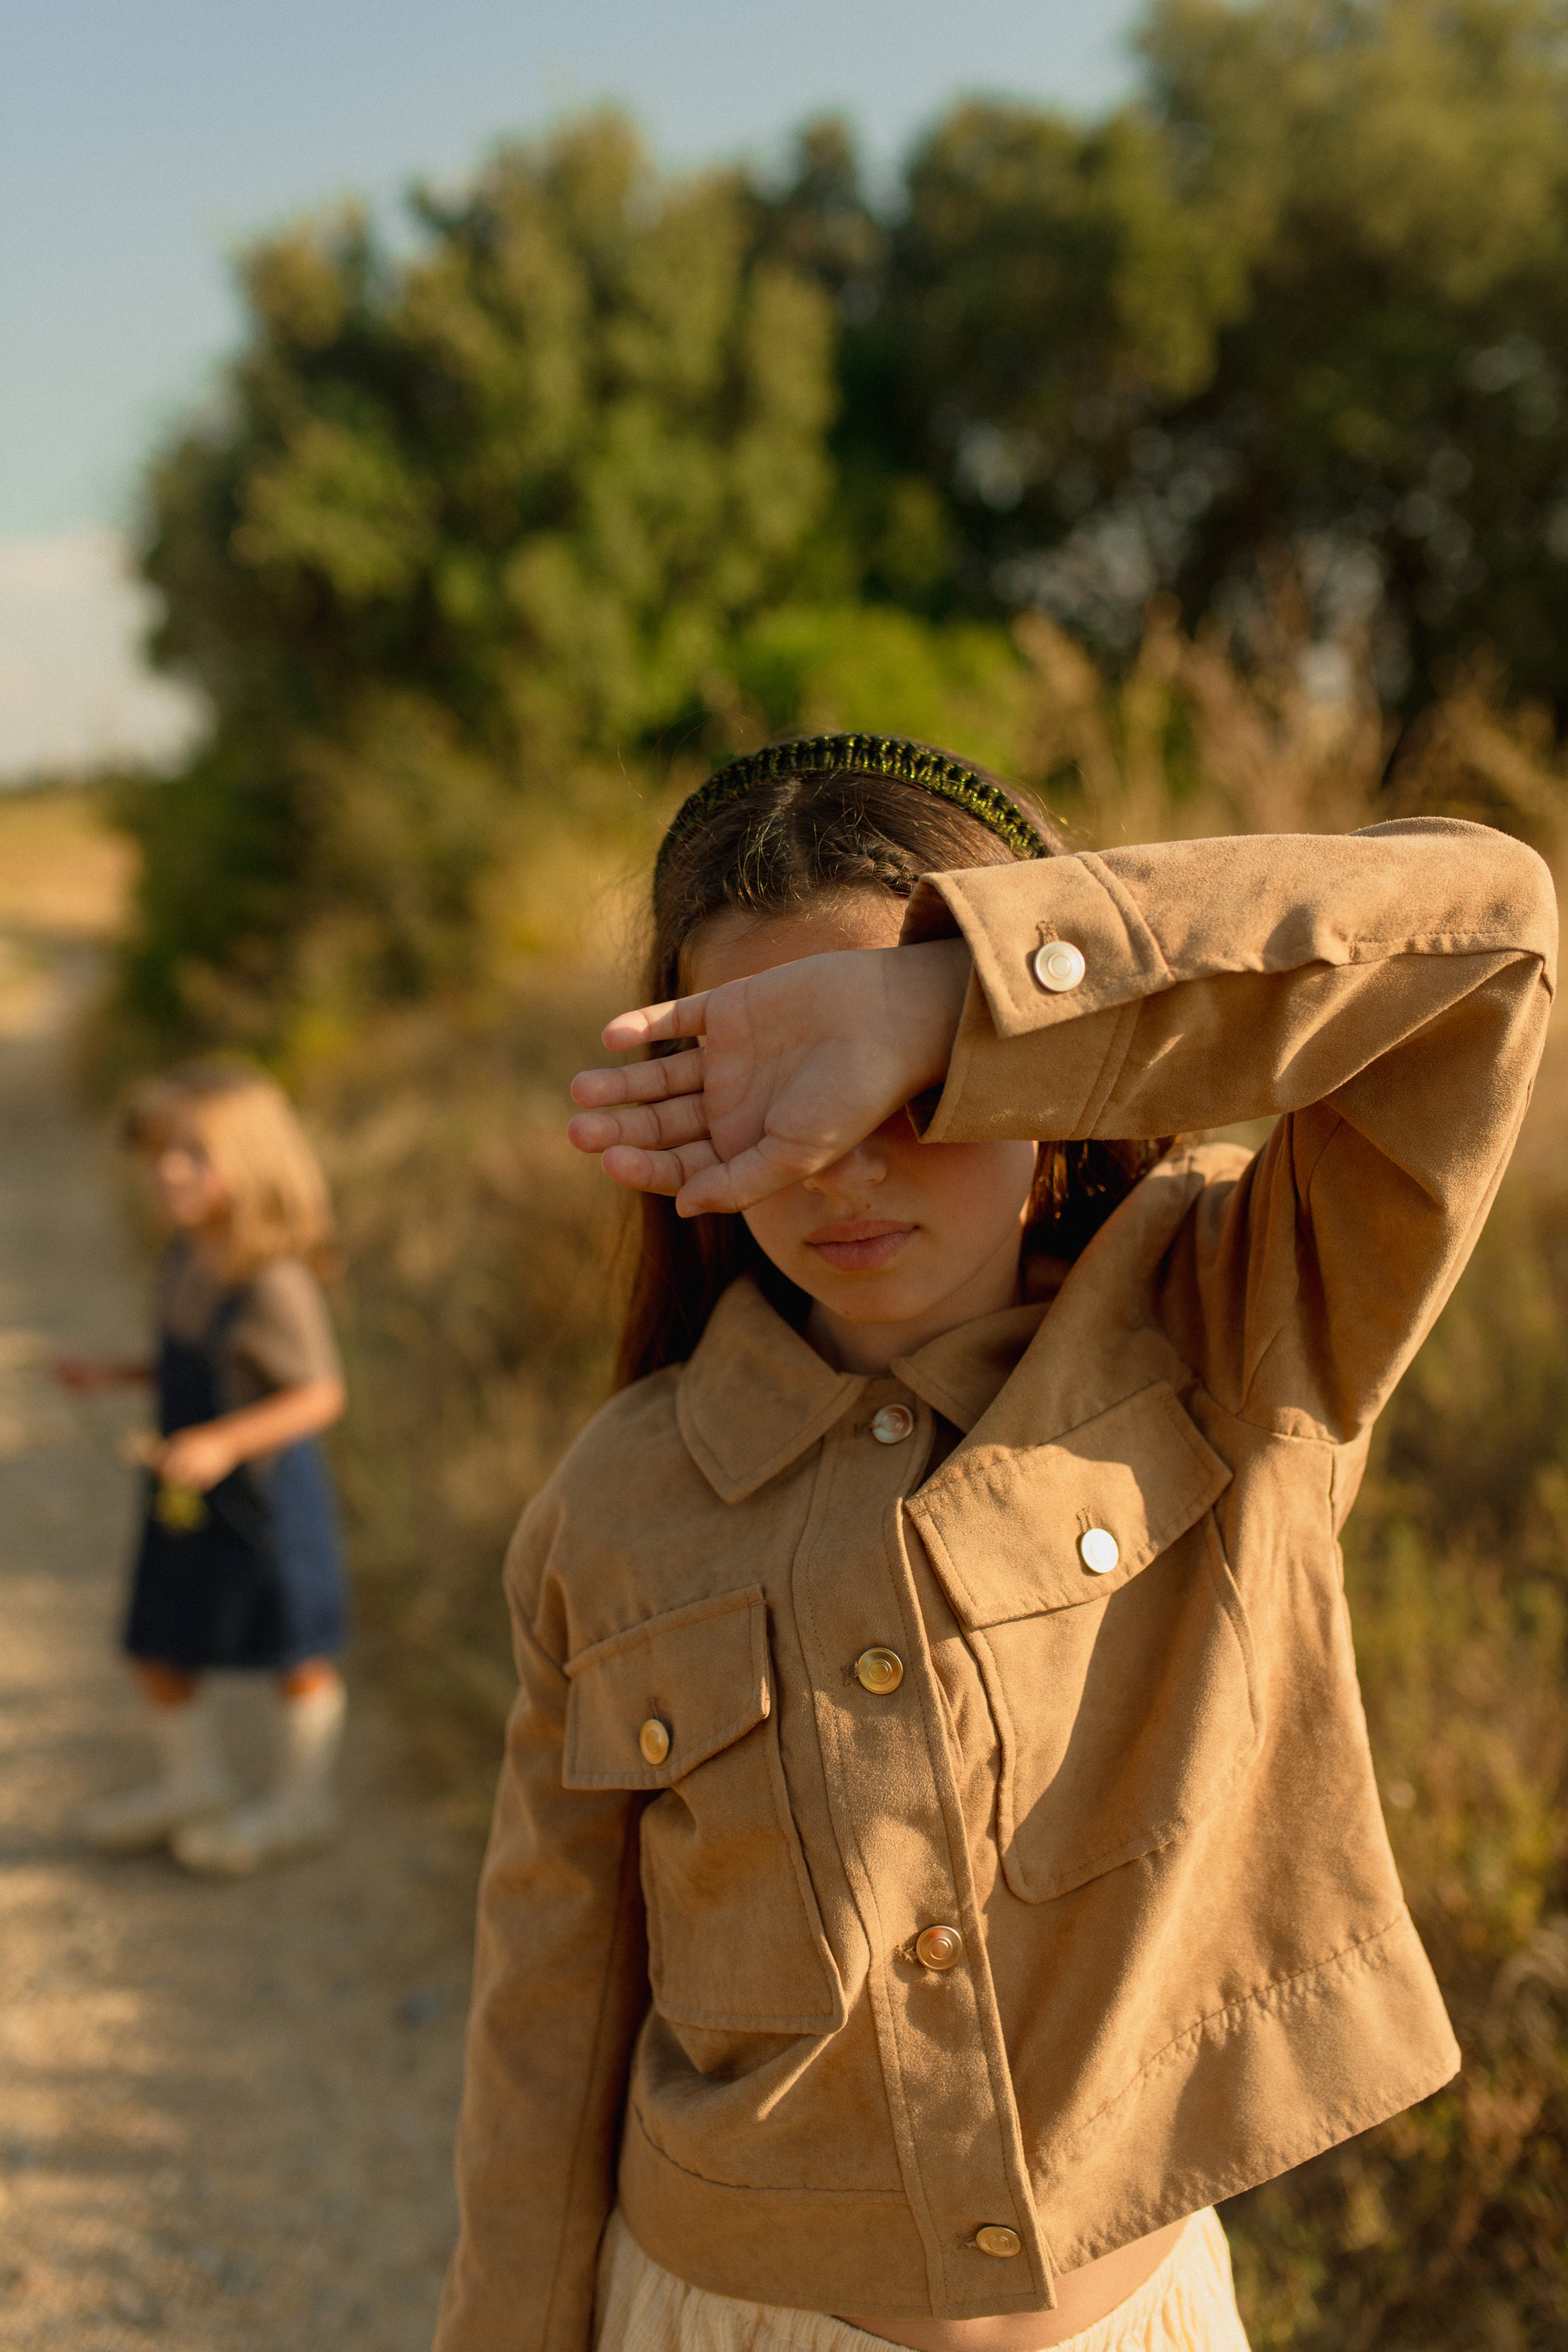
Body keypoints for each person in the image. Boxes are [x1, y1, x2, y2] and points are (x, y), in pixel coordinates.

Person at [433, 734, 1556, 2352]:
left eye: (907, 1093)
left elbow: (1489, 931)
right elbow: (548, 2015)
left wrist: (960, 998)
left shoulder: (1243, 1322)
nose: (844, 1157)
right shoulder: (617, 1497)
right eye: (768, 1089)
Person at [58, 1058, 350, 1877]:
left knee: (295, 1650)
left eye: (193, 1153)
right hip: (186, 1494)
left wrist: (224, 1442)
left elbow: (319, 1394)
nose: (169, 1171)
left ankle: (302, 1802)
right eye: (160, 1152)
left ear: (253, 1163)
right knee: (157, 1637)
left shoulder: (273, 1278)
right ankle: (196, 1785)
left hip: (263, 1502)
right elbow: (199, 1360)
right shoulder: (185, 1256)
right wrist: (118, 1374)